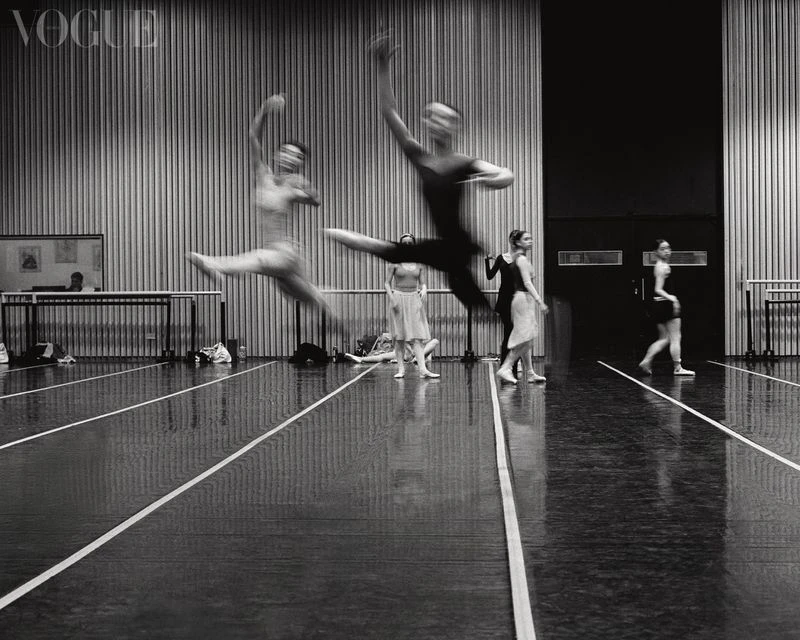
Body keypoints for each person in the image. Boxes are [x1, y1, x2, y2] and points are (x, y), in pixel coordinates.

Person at [324, 29, 514, 313]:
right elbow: (389, 112)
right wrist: (382, 66)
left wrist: (493, 178)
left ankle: (369, 245)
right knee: (462, 286)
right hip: (444, 250)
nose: (438, 122)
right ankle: (486, 314)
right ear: (427, 124)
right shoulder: (420, 158)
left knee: (411, 254)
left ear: (456, 126)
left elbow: (506, 174)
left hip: (460, 244)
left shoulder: (465, 163)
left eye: (446, 118)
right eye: (432, 117)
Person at [187, 94, 329, 312]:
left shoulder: (295, 184)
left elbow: (316, 201)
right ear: (277, 155)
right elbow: (253, 136)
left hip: (285, 255)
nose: (290, 158)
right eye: (287, 153)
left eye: (297, 157)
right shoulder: (263, 176)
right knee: (312, 301)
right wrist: (264, 109)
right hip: (274, 256)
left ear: (299, 163)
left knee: (258, 259)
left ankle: (216, 264)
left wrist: (305, 192)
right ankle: (334, 314)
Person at [381, 233, 440, 379]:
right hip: (398, 299)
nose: (407, 245)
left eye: (410, 243)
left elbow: (423, 283)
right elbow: (387, 283)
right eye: (404, 243)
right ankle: (401, 369)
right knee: (399, 337)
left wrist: (424, 289)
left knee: (418, 337)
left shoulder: (419, 264)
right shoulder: (394, 263)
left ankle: (423, 369)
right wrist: (392, 298)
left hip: (414, 299)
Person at [496, 230, 549, 384]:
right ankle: (506, 367)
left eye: (530, 238)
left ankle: (530, 373)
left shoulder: (517, 257)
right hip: (523, 298)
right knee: (527, 339)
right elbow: (527, 283)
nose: (530, 241)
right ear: (518, 242)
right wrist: (540, 301)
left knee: (526, 338)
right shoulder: (521, 259)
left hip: (523, 299)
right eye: (526, 239)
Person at [638, 239, 695, 376]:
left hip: (659, 305)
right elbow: (658, 289)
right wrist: (673, 298)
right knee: (676, 337)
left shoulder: (659, 266)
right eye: (662, 249)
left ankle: (646, 360)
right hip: (666, 304)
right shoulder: (662, 267)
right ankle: (678, 367)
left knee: (664, 338)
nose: (667, 251)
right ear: (656, 252)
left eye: (668, 248)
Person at [485, 231, 520, 367]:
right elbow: (489, 276)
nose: (514, 241)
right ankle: (505, 364)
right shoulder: (501, 258)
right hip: (504, 299)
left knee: (515, 331)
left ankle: (514, 363)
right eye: (513, 238)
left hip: (516, 298)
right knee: (507, 330)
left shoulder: (520, 258)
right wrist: (487, 260)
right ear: (510, 240)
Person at [344, 333, 439, 366]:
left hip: (418, 356)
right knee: (382, 356)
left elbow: (428, 358)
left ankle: (417, 359)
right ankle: (360, 359)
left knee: (435, 341)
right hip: (406, 354)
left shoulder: (423, 339)